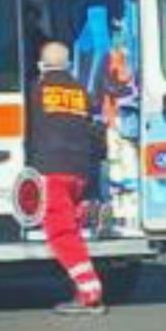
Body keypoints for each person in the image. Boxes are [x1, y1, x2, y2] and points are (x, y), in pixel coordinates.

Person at [29, 41, 106, 315]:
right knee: (70, 226)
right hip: (79, 172)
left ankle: (89, 291)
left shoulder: (36, 90)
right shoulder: (80, 91)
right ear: (68, 64)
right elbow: (95, 131)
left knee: (61, 232)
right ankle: (82, 287)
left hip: (53, 169)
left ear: (41, 65)